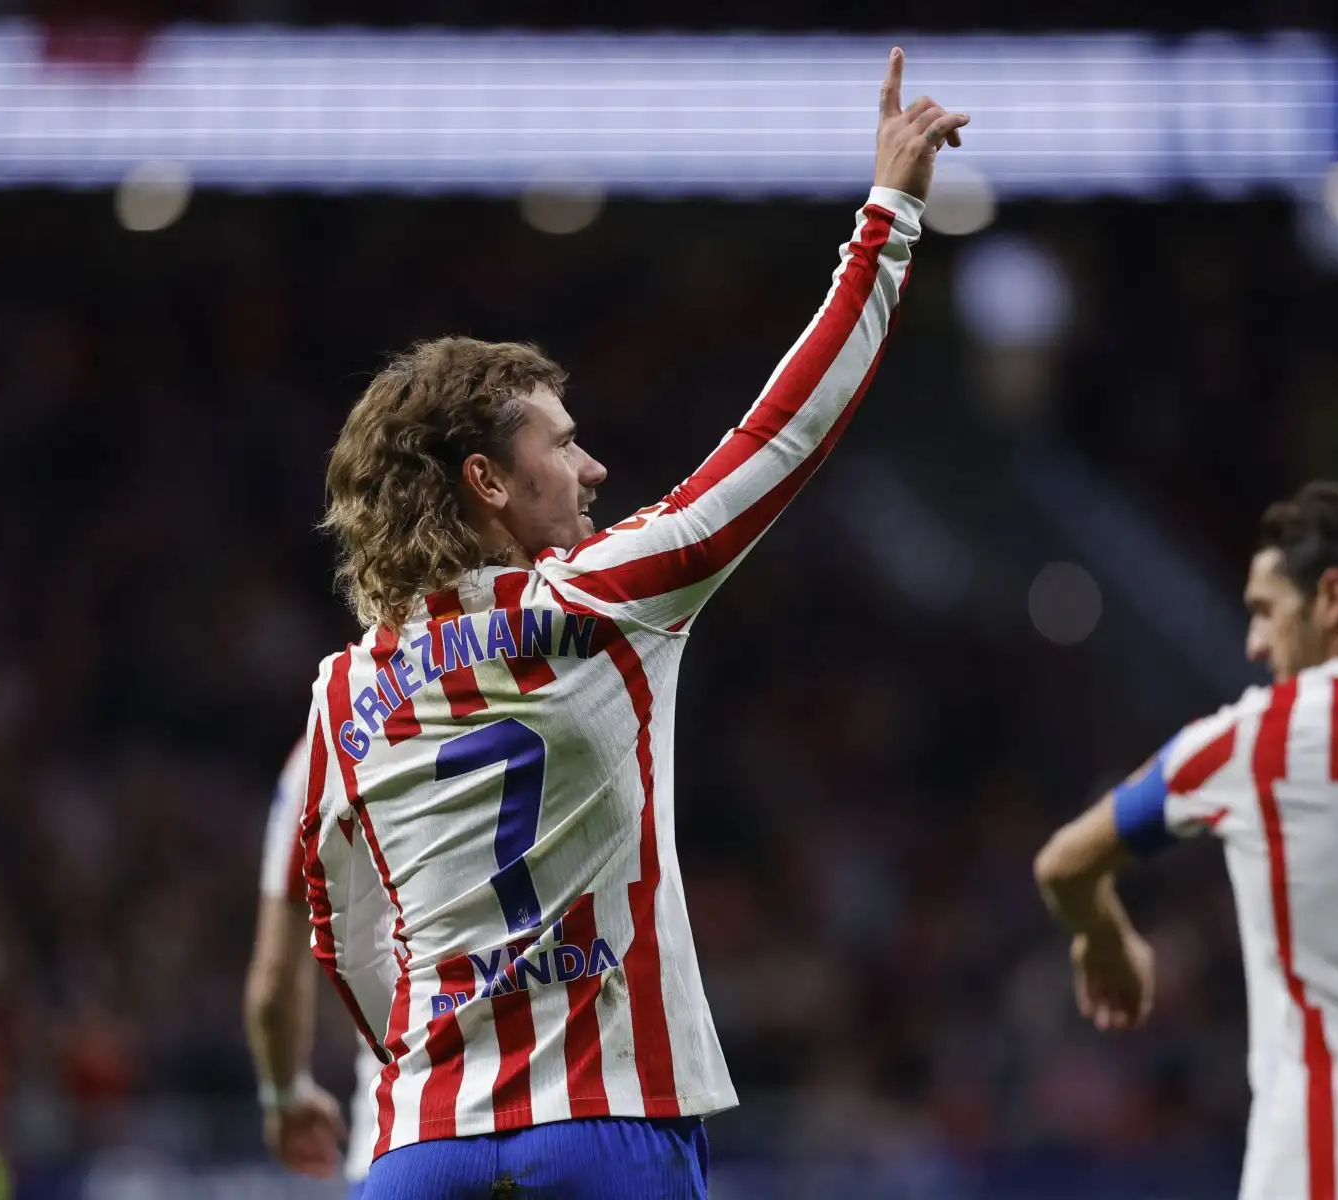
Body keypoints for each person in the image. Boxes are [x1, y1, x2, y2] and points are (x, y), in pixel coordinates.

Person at [301, 48, 967, 1198]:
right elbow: (778, 439)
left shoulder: (343, 687)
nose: (594, 466)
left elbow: (342, 937)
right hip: (605, 1127)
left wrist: (433, 1060)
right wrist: (888, 220)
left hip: (421, 1148)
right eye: (562, 444)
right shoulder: (596, 602)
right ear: (488, 483)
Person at [1035, 480, 1338, 1199]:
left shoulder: (1260, 737)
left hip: (1320, 1166)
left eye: (1267, 612)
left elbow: (1064, 865)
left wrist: (1105, 938)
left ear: (1334, 599)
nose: (1253, 643)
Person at [245, 738, 386, 1195]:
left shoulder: (327, 745)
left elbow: (274, 987)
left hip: (408, 1141)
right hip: (582, 1116)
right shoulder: (589, 684)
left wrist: (285, 1094)